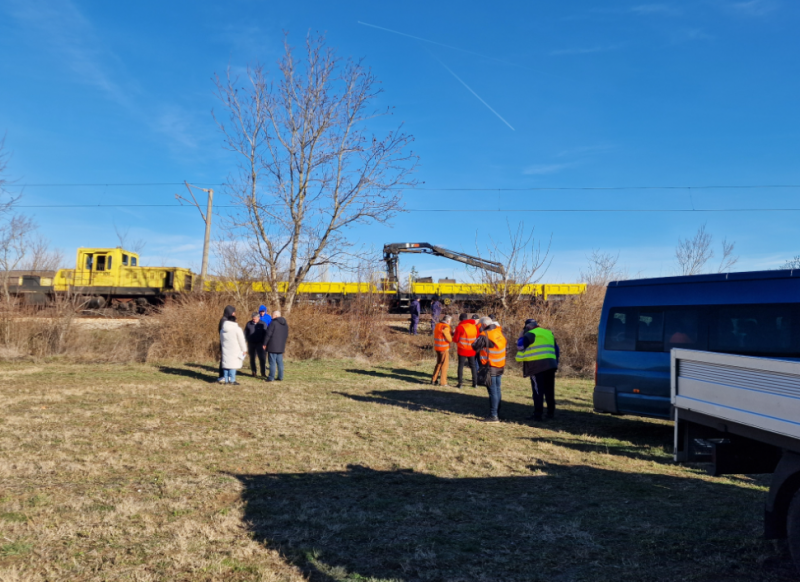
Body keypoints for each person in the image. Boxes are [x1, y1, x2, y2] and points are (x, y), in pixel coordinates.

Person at [515, 319, 560, 421]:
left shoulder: (531, 334)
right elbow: (556, 349)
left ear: (528, 327)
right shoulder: (548, 333)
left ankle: (537, 414)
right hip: (551, 365)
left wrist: (521, 336)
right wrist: (555, 362)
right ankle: (550, 413)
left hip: (537, 366)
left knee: (538, 391)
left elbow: (520, 346)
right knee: (549, 390)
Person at [472, 316, 507, 422]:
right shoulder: (499, 332)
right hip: (500, 365)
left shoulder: (484, 335)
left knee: (492, 391)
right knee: (497, 389)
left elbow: (474, 346)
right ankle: (497, 413)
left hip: (489, 367)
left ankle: (493, 415)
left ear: (483, 325)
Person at [220, 308, 247, 385]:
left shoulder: (222, 329)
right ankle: (232, 380)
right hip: (235, 349)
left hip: (225, 348)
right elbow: (241, 340)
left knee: (226, 364)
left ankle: (226, 380)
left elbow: (221, 340)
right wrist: (244, 349)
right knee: (233, 365)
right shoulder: (237, 329)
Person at [452, 313, 479, 388]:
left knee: (461, 366)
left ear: (460, 319)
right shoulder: (474, 326)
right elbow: (478, 337)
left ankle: (460, 383)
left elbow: (455, 339)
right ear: (467, 318)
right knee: (473, 366)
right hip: (472, 349)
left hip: (462, 350)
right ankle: (475, 383)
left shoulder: (460, 327)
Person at [264, 310, 289, 382]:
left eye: (272, 315)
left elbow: (268, 334)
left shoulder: (273, 323)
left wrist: (265, 343)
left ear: (276, 316)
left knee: (272, 362)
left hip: (272, 346)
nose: (271, 317)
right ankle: (280, 377)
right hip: (281, 346)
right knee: (280, 362)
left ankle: (271, 377)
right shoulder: (285, 324)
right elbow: (286, 335)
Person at [431, 315, 453, 386]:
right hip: (444, 348)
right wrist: (451, 337)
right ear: (448, 321)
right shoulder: (446, 327)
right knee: (444, 365)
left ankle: (434, 380)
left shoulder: (438, 325)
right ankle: (443, 382)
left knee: (439, 364)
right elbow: (448, 338)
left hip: (437, 347)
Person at [245, 311, 268, 377]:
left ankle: (263, 372)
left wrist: (265, 343)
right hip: (251, 343)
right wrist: (246, 340)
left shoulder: (263, 324)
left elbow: (266, 334)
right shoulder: (249, 324)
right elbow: (245, 333)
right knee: (252, 358)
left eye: (255, 319)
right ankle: (253, 371)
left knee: (262, 358)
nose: (254, 320)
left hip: (260, 344)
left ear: (258, 318)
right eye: (253, 318)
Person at [217, 305, 236, 383]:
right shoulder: (224, 321)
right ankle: (223, 376)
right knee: (225, 360)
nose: (234, 314)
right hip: (226, 344)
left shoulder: (227, 320)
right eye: (233, 312)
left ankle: (226, 376)